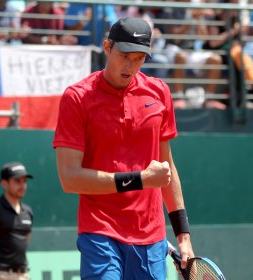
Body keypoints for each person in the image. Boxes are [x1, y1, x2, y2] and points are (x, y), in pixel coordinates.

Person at [53, 17, 195, 279]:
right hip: (100, 231)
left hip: (151, 237)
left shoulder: (159, 92)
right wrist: (140, 180)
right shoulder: (77, 97)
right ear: (107, 47)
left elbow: (167, 169)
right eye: (125, 55)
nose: (131, 66)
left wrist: (183, 236)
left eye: (139, 58)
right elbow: (69, 178)